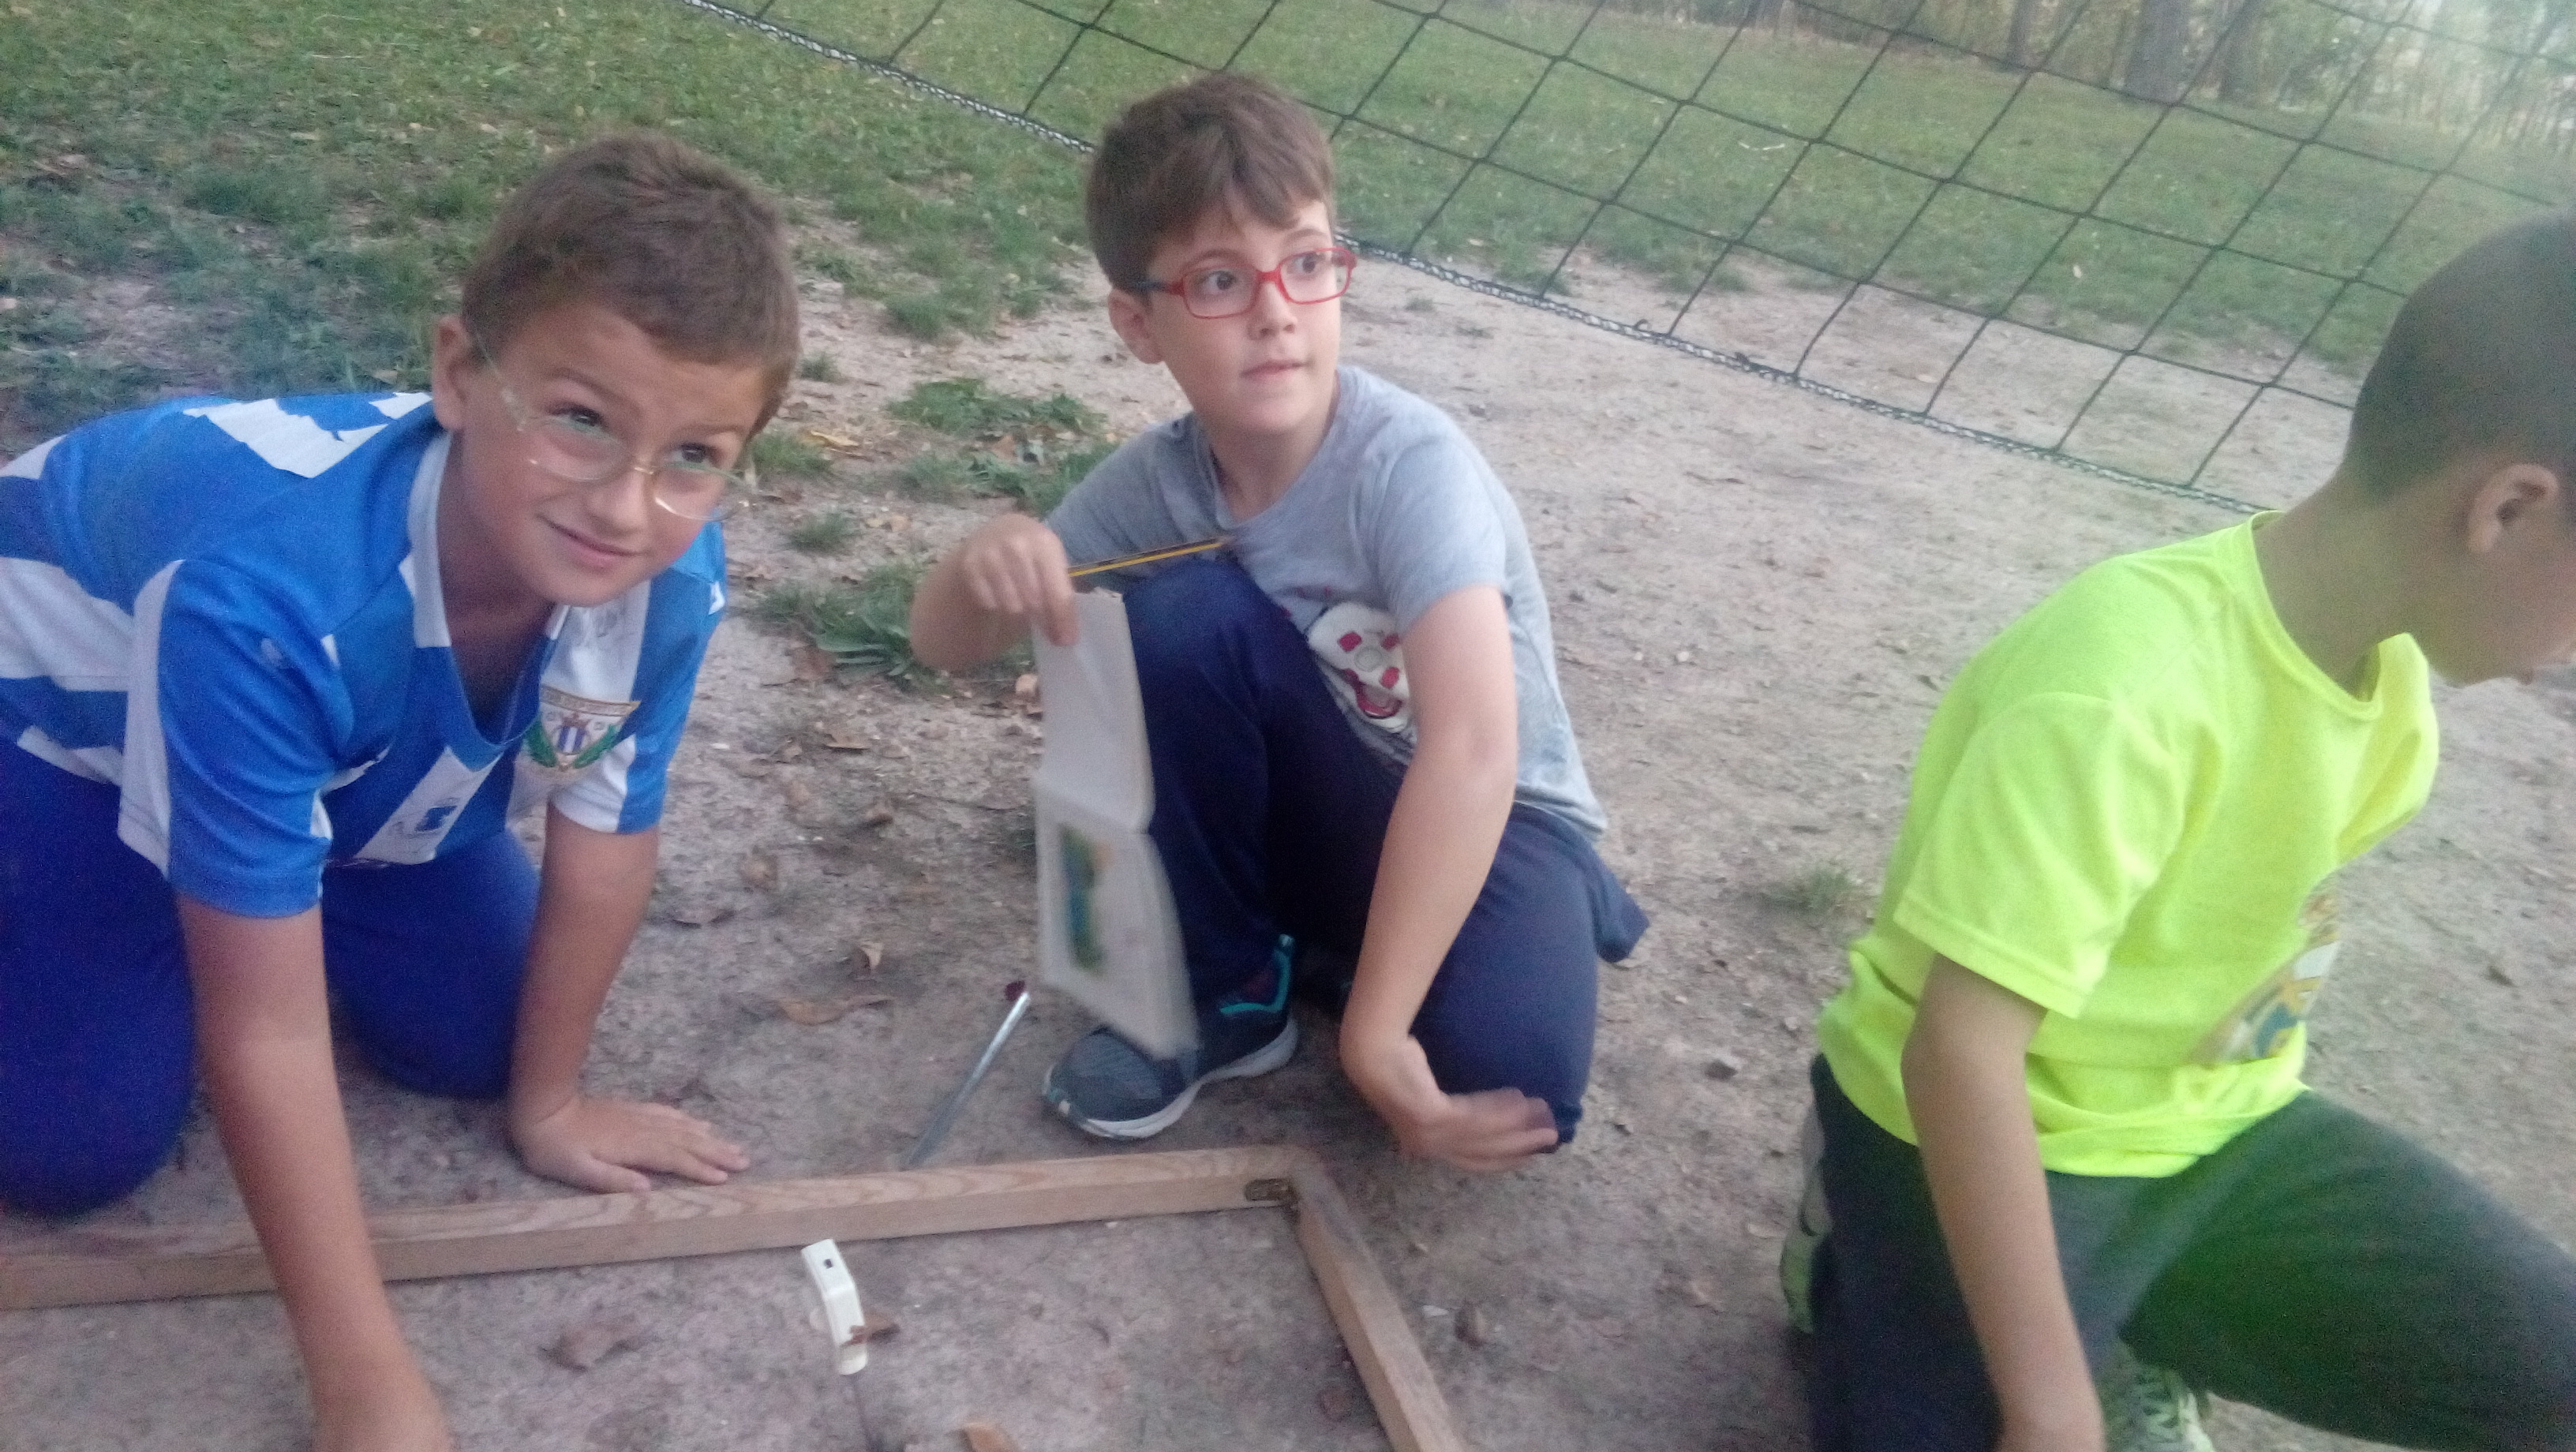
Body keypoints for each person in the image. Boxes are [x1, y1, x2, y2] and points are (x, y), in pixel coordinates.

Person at [0, 132, 796, 1451]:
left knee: (488, 1041)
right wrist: (365, 1388)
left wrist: (551, 1104)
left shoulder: (667, 577)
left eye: (696, 455)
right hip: (54, 740)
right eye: (581, 419)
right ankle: (182, 902)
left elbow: (607, 841)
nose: (627, 506)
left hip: (339, 764)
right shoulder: (269, 599)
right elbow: (266, 1034)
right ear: (457, 373)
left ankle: (248, 881)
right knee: (72, 1143)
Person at [1790, 211, 2576, 1452]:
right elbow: (1961, 1052)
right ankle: (1849, 1252)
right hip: (1979, 1130)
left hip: (2210, 1135)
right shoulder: (2125, 686)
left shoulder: (2391, 700)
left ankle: (2130, 1321)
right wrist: (2048, 1407)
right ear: (2510, 507)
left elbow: (2265, 949)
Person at [909, 72, 1645, 1173]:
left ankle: (1413, 946)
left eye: (1305, 263)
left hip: (1497, 818)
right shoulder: (1157, 484)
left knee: (1508, 1082)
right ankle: (1236, 988)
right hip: (1321, 809)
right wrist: (984, 563)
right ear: (1137, 322)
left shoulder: (1408, 465)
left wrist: (1377, 1032)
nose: (1275, 312)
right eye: (1219, 280)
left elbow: (1474, 749)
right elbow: (944, 645)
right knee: (1183, 617)